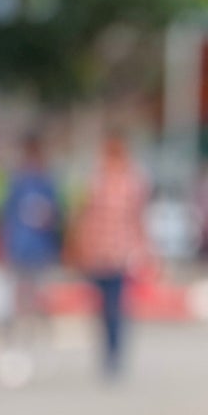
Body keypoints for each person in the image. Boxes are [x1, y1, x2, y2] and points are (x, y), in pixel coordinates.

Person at [70, 129, 149, 376]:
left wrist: (144, 250)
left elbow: (138, 219)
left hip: (120, 254)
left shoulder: (133, 181)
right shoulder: (95, 179)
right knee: (101, 306)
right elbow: (84, 215)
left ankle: (114, 354)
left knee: (116, 305)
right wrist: (80, 246)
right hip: (97, 252)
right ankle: (107, 351)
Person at [0, 131, 64, 385]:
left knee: (40, 303)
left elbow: (58, 217)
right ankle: (14, 353)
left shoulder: (48, 182)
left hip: (41, 251)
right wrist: (2, 248)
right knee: (15, 304)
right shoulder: (16, 181)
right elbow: (5, 217)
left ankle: (43, 350)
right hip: (18, 250)